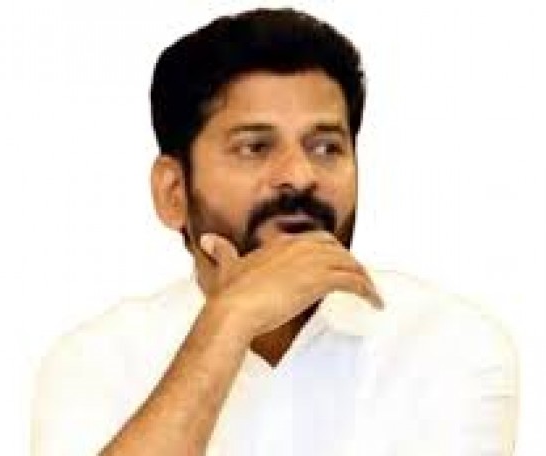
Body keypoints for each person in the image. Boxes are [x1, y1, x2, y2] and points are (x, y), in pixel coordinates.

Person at [31, 8, 518, 456]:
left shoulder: (449, 343)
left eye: (326, 147)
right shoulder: (95, 361)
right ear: (173, 191)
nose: (300, 176)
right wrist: (228, 322)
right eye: (255, 147)